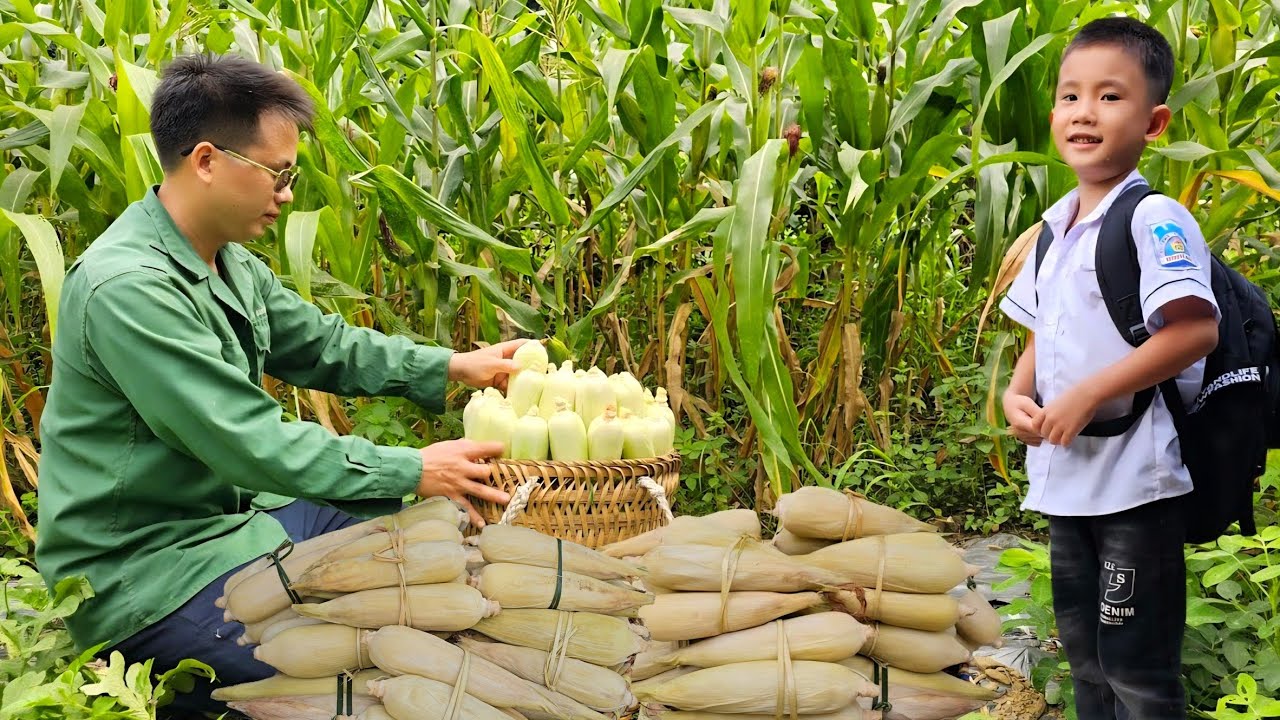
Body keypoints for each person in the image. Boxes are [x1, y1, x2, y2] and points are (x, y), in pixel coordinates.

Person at [34, 53, 518, 717]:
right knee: (363, 686)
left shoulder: (228, 262)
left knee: (434, 548)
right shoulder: (129, 289)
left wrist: (452, 366)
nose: (287, 195)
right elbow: (246, 441)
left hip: (241, 526)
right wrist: (411, 464)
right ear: (206, 160)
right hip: (153, 575)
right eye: (278, 174)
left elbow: (325, 346)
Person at [999, 17, 1220, 720]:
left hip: (1133, 485)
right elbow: (1044, 329)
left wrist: (1091, 392)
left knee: (1137, 671)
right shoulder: (1055, 224)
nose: (1084, 112)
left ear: (1154, 122)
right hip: (1067, 486)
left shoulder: (1154, 220)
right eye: (1069, 96)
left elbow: (1194, 330)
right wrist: (1017, 391)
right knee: (1087, 660)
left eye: (1109, 96)